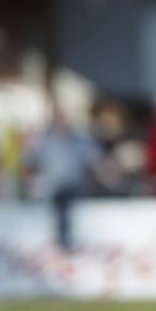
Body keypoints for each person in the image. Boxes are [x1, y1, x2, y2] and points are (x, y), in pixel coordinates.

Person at [26, 108, 104, 251]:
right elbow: (32, 158)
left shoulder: (77, 139)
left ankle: (67, 241)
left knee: (70, 213)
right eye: (59, 119)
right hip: (54, 185)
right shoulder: (46, 140)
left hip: (73, 184)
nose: (62, 122)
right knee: (58, 214)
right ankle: (60, 242)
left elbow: (94, 155)